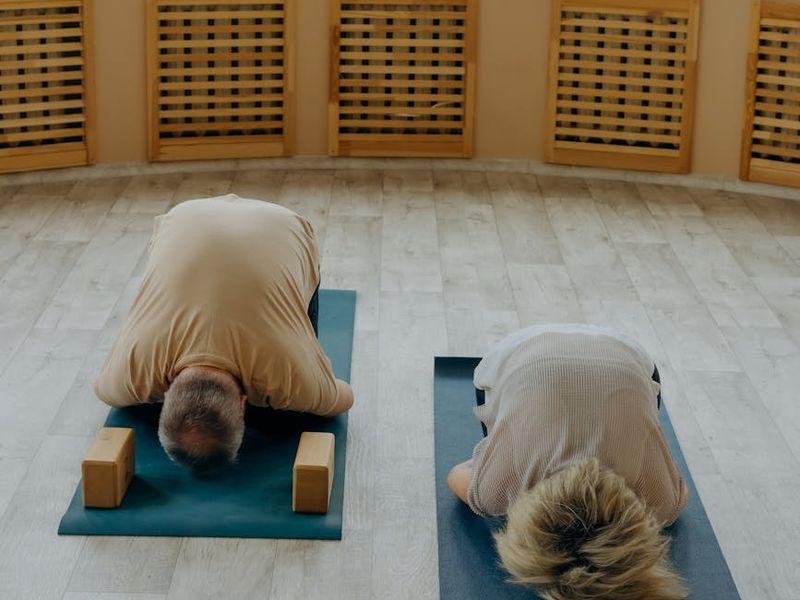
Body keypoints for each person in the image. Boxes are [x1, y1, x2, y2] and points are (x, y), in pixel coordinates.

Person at [95, 194, 354, 475]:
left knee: (288, 415)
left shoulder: (288, 370)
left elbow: (342, 399)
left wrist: (299, 388)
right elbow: (342, 397)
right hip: (189, 218)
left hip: (282, 228)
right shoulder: (130, 372)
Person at [446, 325, 690, 600]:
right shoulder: (497, 493)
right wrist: (503, 463)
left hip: (617, 351)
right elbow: (457, 474)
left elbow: (682, 491)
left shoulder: (660, 505)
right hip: (527, 353)